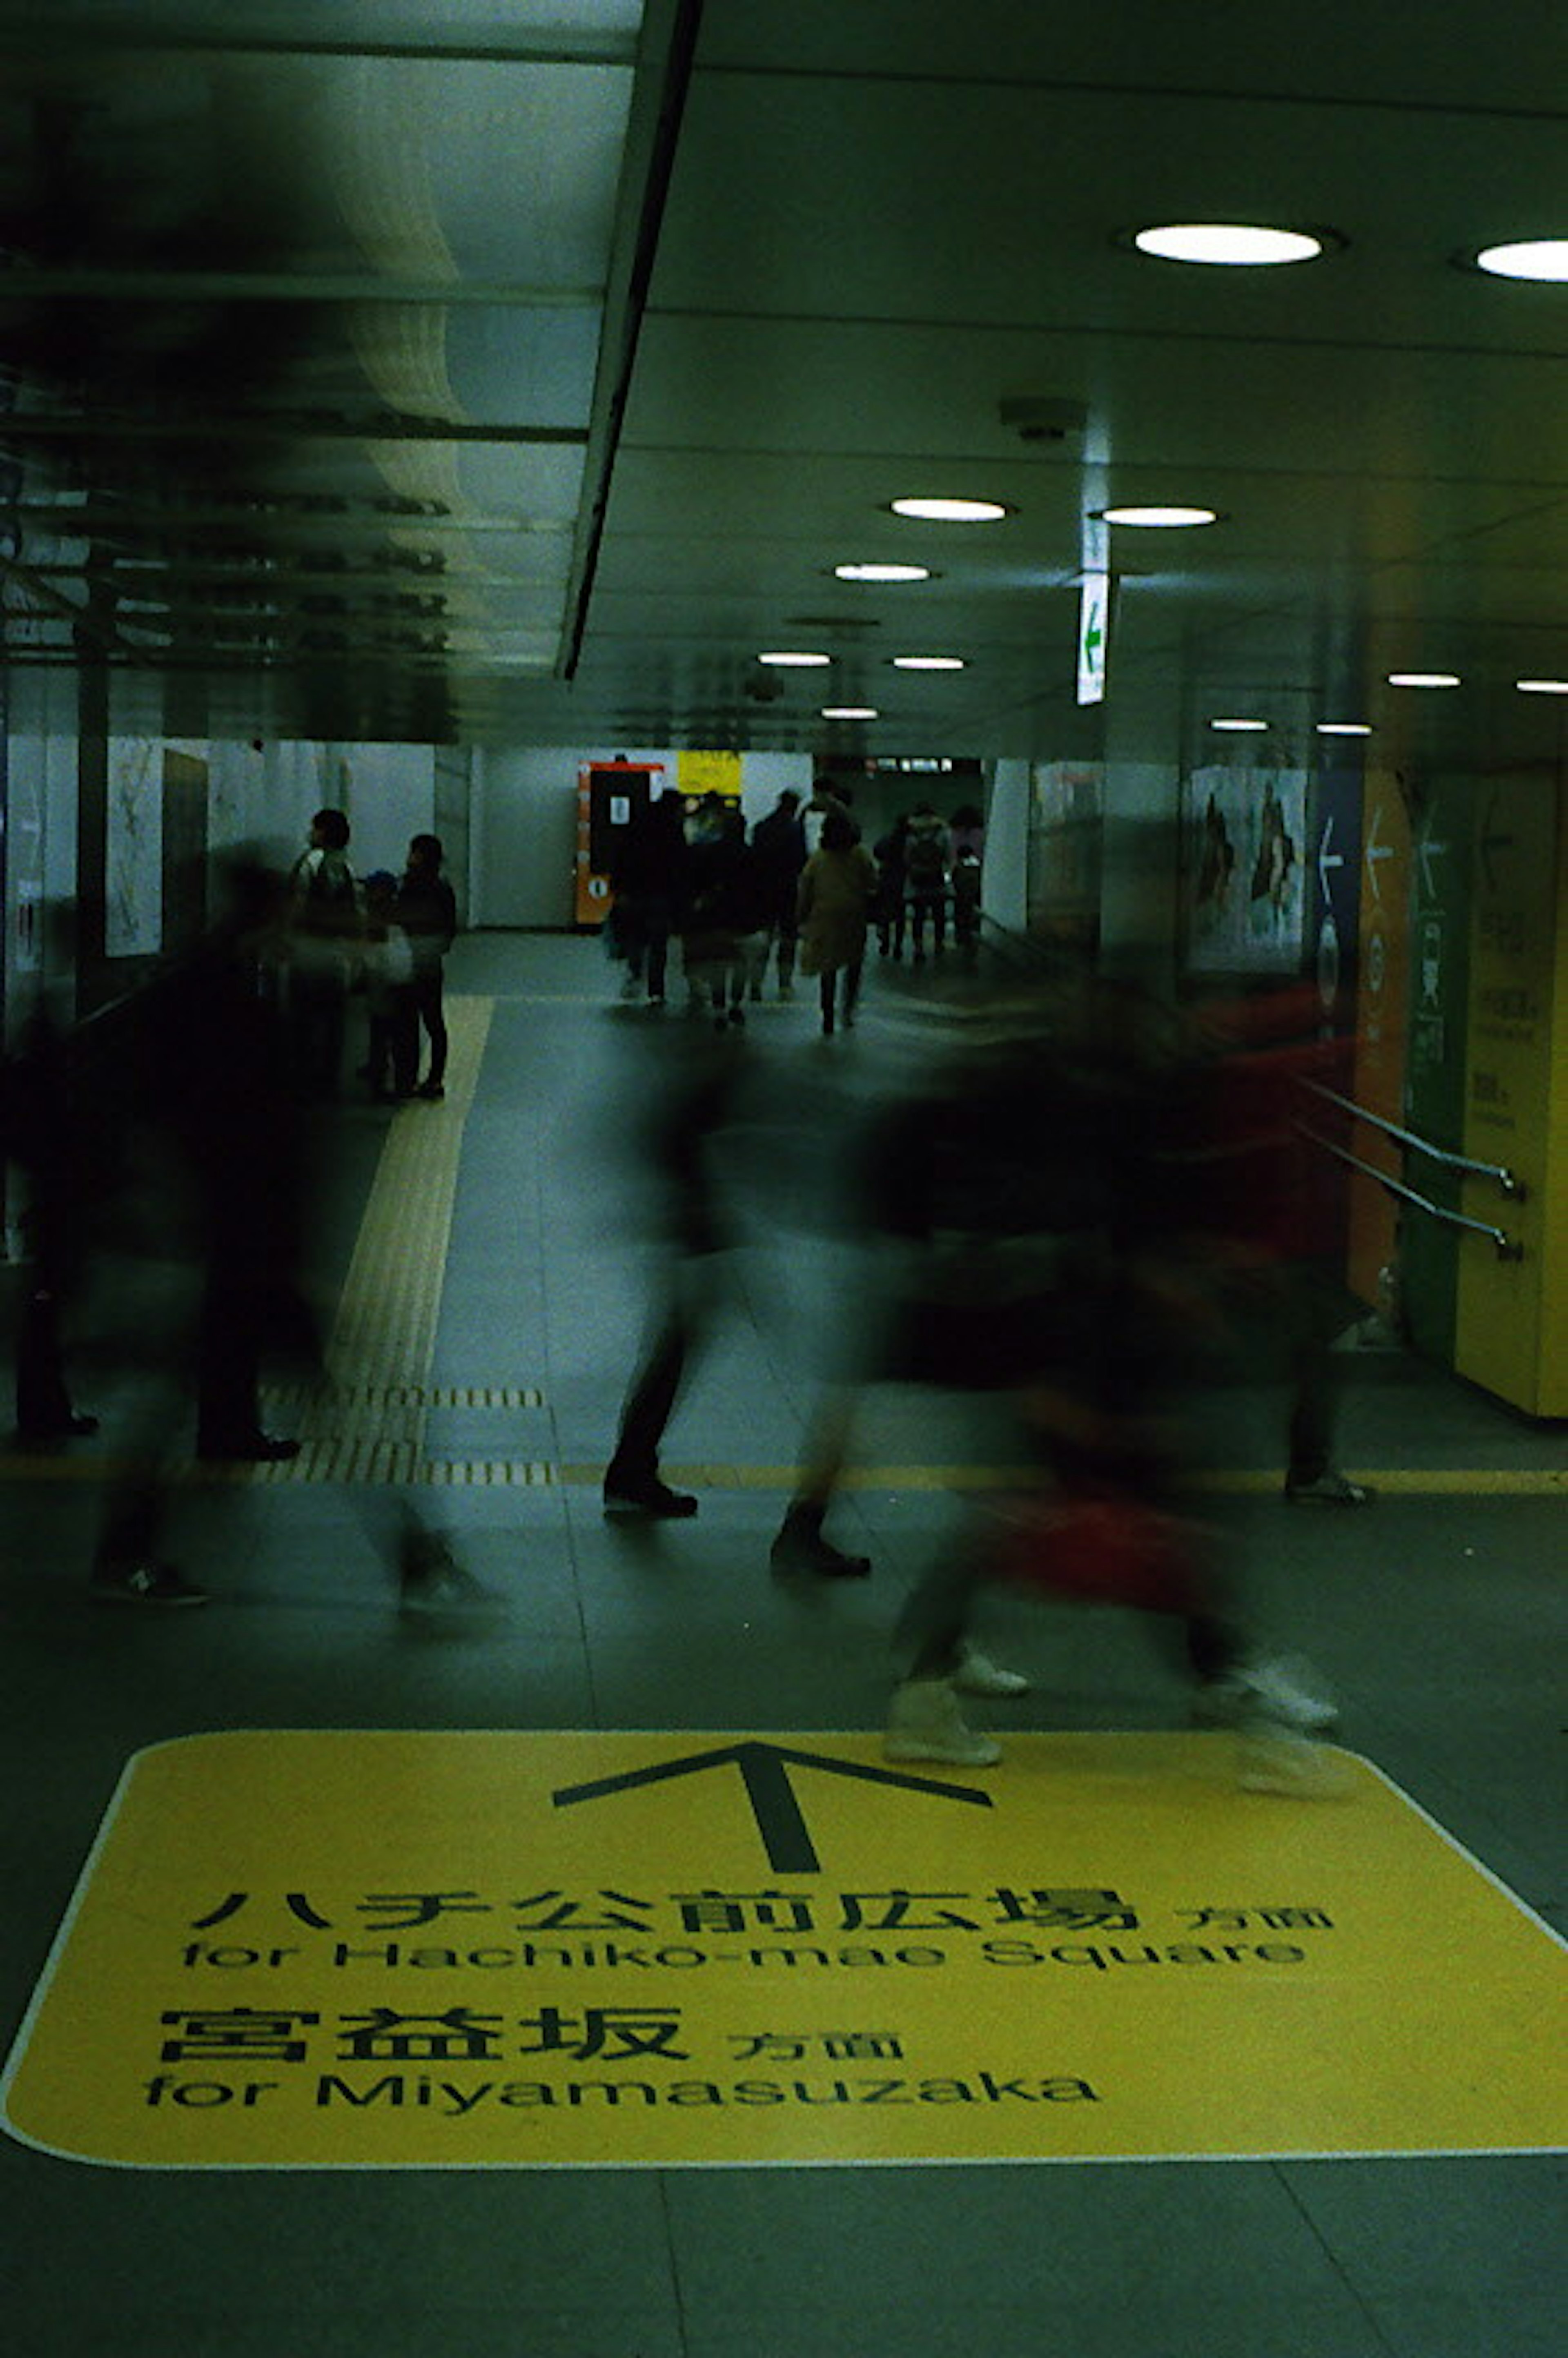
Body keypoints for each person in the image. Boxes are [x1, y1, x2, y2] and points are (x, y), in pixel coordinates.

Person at [285, 807, 361, 1096]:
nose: (311, 833)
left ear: (324, 832)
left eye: (315, 828)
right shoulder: (348, 866)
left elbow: (297, 904)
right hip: (337, 952)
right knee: (334, 1019)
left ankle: (303, 1076)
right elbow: (357, 911)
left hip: (307, 948)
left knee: (303, 1016)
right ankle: (329, 1079)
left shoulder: (310, 862)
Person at [796, 809, 878, 1036]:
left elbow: (806, 888)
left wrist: (801, 916)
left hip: (824, 916)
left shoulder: (819, 858)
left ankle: (828, 1014)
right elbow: (873, 882)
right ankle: (848, 1010)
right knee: (853, 965)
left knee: (828, 968)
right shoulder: (860, 854)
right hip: (853, 914)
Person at [394, 833, 457, 1100]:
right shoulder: (443, 888)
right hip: (431, 964)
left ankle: (405, 1080)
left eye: (413, 852)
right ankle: (435, 1079)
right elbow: (450, 929)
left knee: (406, 1023)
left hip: (407, 963)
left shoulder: (406, 886)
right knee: (434, 1022)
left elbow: (396, 922)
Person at [609, 790, 686, 1007]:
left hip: (634, 892)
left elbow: (621, 856)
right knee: (658, 944)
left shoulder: (638, 825)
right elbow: (680, 865)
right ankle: (656, 990)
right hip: (661, 894)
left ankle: (634, 975)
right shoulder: (673, 830)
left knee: (636, 937)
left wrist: (618, 889)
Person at [360, 872, 417, 1101]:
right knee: (400, 1036)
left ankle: (380, 1083)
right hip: (401, 980)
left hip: (386, 981)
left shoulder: (377, 918)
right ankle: (403, 1083)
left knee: (381, 1035)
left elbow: (375, 955)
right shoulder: (400, 914)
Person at [750, 788, 807, 999]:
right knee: (788, 939)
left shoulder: (762, 828)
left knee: (763, 939)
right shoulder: (794, 830)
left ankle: (756, 984)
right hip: (787, 889)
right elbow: (802, 861)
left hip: (763, 890)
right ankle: (785, 984)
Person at [903, 803, 951, 963]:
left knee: (919, 916)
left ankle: (918, 947)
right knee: (939, 914)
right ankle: (939, 944)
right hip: (936, 879)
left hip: (918, 881)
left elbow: (907, 859)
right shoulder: (942, 833)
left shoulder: (911, 835)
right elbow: (948, 856)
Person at [872, 816, 911, 961]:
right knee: (901, 915)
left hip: (887, 877)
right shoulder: (909, 841)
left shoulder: (888, 839)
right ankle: (898, 946)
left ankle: (885, 941)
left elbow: (877, 851)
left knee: (886, 912)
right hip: (904, 878)